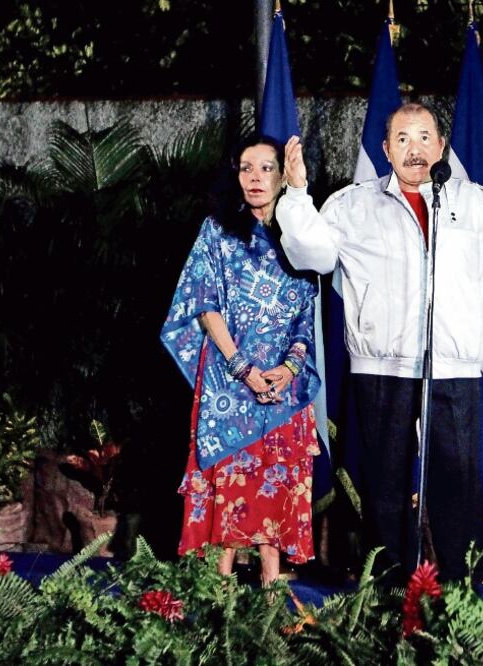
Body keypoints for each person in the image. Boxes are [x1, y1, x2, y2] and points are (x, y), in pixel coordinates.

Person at [275, 102, 483, 583]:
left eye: (425, 137)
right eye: (403, 139)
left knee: (457, 484)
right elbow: (312, 254)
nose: (415, 149)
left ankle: (461, 589)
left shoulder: (474, 203)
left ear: (441, 146)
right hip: (382, 367)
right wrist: (298, 194)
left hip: (454, 368)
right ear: (385, 150)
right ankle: (387, 586)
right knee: (384, 484)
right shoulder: (353, 204)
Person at [160, 135, 321, 585]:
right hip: (229, 380)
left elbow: (306, 316)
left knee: (275, 487)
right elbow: (204, 304)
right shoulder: (217, 231)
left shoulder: (300, 238)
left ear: (283, 175)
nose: (254, 178)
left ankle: (270, 600)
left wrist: (288, 370)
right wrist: (243, 370)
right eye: (245, 168)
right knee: (229, 489)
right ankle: (218, 603)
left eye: (266, 168)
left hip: (282, 388)